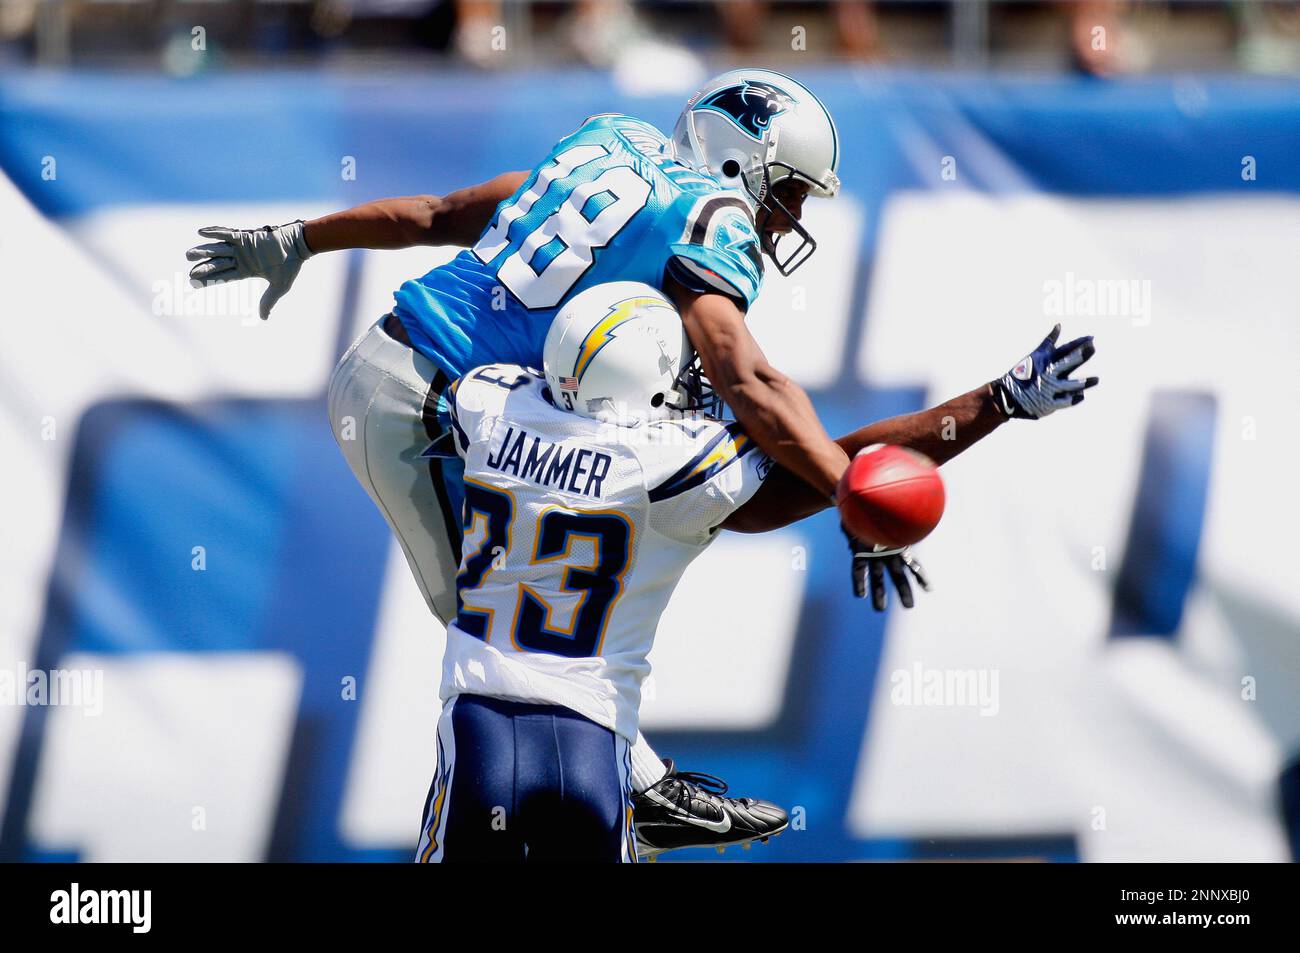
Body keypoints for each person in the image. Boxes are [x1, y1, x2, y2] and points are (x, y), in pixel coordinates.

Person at [185, 67, 1096, 856]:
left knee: (502, 623)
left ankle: (646, 781)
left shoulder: (609, 142)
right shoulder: (706, 232)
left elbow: (440, 214)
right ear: (743, 163)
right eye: (787, 193)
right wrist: (854, 493)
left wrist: (304, 237)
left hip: (415, 377)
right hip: (425, 403)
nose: (788, 218)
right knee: (495, 624)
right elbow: (747, 375)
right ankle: (647, 784)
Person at [413, 280, 1098, 860]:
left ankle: (655, 786)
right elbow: (843, 463)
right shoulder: (674, 464)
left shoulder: (491, 403)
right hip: (592, 750)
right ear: (646, 384)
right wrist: (998, 401)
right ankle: (652, 788)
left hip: (476, 731)